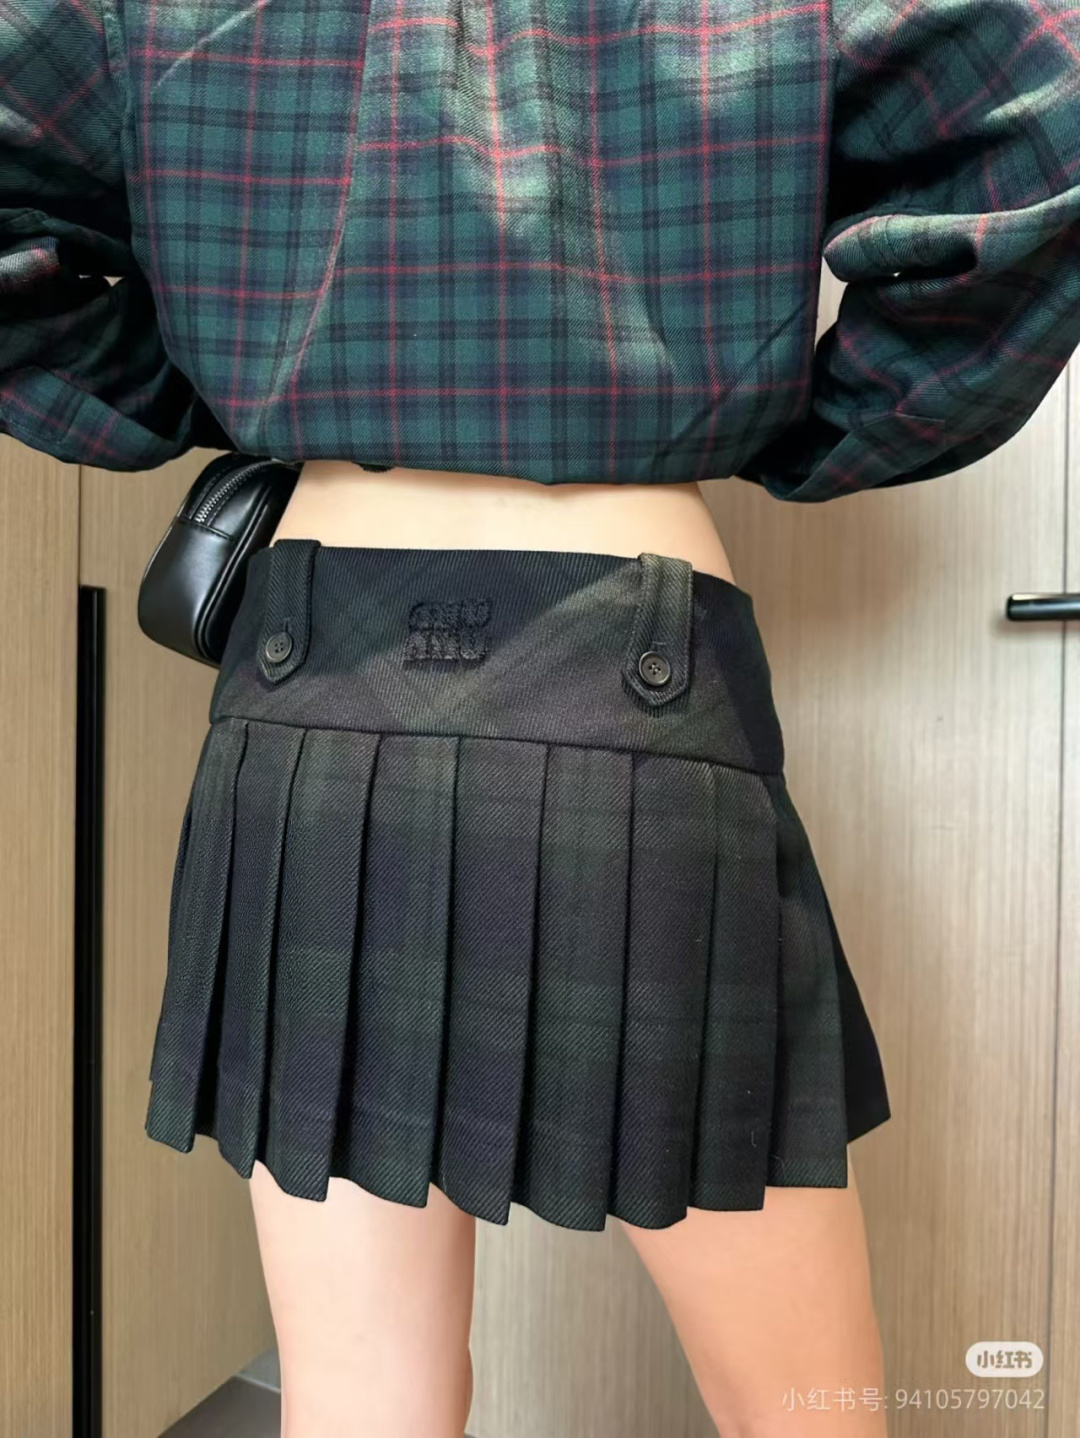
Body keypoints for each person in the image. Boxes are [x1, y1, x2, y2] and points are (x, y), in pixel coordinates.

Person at [3, 1, 1078, 1435]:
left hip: (313, 675)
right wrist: (813, 422)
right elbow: (1048, 128)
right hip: (626, 655)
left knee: (361, 1401)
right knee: (807, 1410)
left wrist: (185, 390)